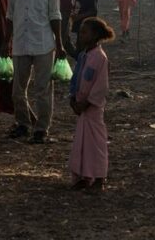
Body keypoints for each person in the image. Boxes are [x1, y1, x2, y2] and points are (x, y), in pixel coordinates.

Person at [6, 0, 65, 144]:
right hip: (21, 42)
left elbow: (55, 15)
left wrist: (60, 44)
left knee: (43, 89)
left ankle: (41, 128)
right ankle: (22, 123)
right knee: (17, 89)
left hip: (43, 42)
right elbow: (10, 16)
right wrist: (6, 41)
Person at [68, 17, 113, 191]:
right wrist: (73, 99)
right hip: (81, 106)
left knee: (96, 144)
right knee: (82, 143)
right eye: (80, 33)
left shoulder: (100, 58)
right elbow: (76, 78)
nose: (80, 36)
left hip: (92, 108)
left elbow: (101, 86)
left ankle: (100, 178)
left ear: (95, 35)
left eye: (84, 33)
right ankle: (83, 176)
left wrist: (86, 103)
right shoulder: (84, 55)